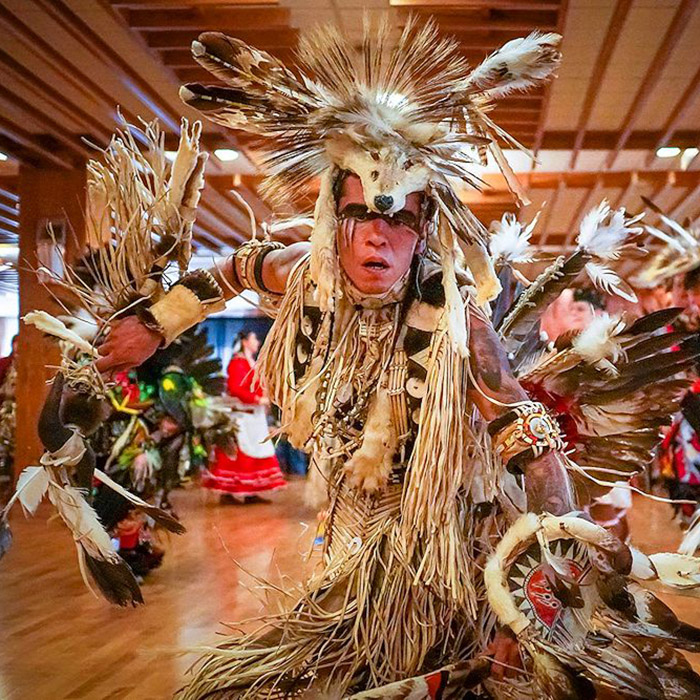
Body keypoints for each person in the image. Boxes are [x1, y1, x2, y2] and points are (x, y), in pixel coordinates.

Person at [85, 20, 700, 698]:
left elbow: (531, 441)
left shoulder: (457, 320)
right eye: (363, 217)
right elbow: (229, 270)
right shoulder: (306, 273)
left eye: (401, 220)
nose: (380, 238)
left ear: (425, 229)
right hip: (352, 537)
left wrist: (533, 597)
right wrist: (152, 323)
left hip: (449, 548)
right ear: (334, 219)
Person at [202, 330, 285, 502]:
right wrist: (257, 399)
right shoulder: (237, 363)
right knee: (239, 454)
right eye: (255, 338)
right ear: (245, 341)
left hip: (254, 416)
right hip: (243, 417)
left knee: (255, 453)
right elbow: (236, 388)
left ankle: (251, 492)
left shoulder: (249, 362)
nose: (258, 341)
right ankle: (229, 492)